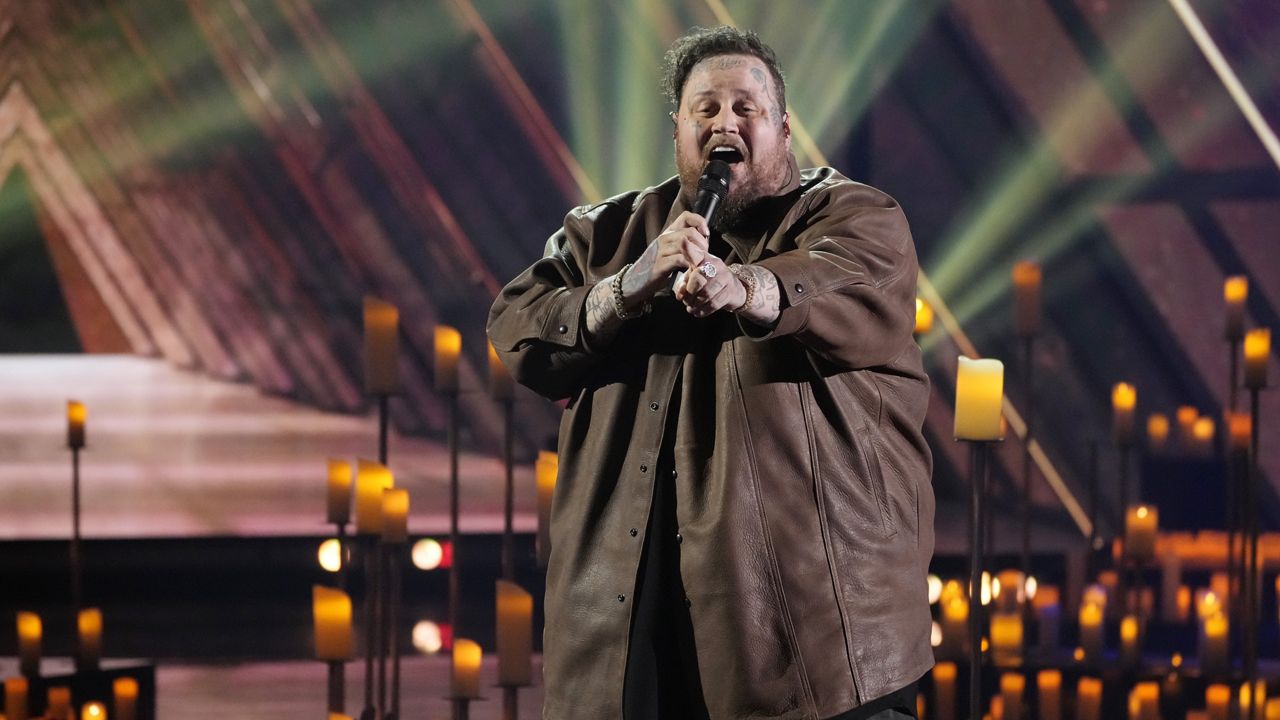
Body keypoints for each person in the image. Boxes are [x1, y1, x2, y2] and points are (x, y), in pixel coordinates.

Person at [488, 25, 934, 720]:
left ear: (784, 129)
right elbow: (517, 325)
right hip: (631, 634)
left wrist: (746, 289)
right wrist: (627, 286)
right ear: (678, 131)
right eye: (706, 109)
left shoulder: (854, 213)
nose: (725, 122)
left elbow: (847, 284)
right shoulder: (606, 233)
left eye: (745, 109)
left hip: (814, 647)